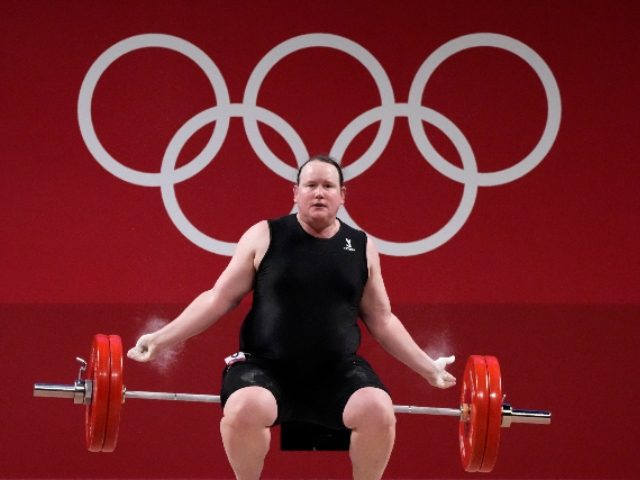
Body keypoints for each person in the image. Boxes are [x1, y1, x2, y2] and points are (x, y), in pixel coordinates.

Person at [128, 154, 456, 480]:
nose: (318, 192)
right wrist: (160, 339)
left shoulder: (361, 246)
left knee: (378, 410)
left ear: (342, 195)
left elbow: (382, 320)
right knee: (244, 409)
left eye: (328, 185)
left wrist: (427, 368)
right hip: (264, 367)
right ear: (295, 192)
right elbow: (218, 299)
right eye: (310, 185)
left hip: (335, 373)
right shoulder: (264, 235)